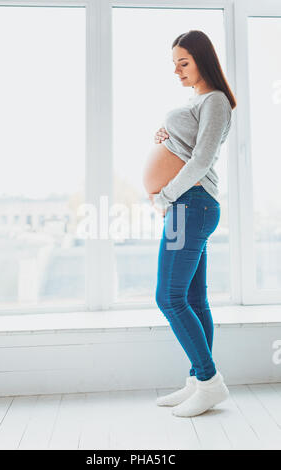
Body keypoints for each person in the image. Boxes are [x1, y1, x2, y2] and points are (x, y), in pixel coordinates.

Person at [151, 30, 237, 417]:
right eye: (174, 63)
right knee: (193, 298)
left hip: (191, 205)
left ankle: (209, 381)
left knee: (168, 298)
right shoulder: (199, 101)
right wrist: (165, 142)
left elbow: (202, 161)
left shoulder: (216, 100)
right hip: (190, 205)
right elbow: (188, 149)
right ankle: (195, 382)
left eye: (183, 62)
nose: (177, 70)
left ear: (203, 59)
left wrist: (165, 195)